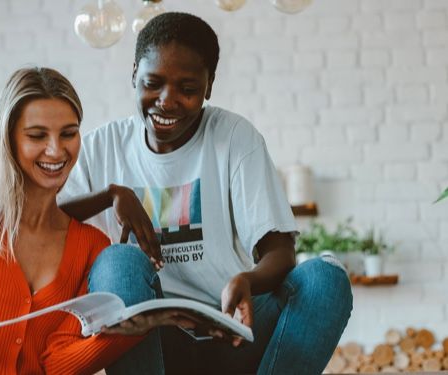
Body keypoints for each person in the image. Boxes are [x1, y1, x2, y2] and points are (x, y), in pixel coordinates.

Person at [59, 12, 353, 374]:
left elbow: (280, 252)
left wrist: (247, 279)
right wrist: (109, 196)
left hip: (231, 329)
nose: (167, 102)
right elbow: (41, 222)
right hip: (152, 344)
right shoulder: (101, 148)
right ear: (134, 73)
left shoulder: (234, 138)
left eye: (187, 89)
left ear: (209, 86)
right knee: (117, 260)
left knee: (326, 277)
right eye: (153, 83)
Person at [0, 67, 186, 374]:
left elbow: (56, 363)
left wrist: (132, 331)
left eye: (68, 133)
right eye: (37, 135)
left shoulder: (91, 245)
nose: (56, 150)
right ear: (9, 139)